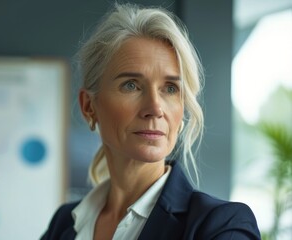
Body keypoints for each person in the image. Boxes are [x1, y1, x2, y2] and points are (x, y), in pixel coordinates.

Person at [41, 3, 260, 240]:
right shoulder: (64, 223)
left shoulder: (221, 227)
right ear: (89, 106)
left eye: (170, 88)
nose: (155, 108)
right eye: (131, 85)